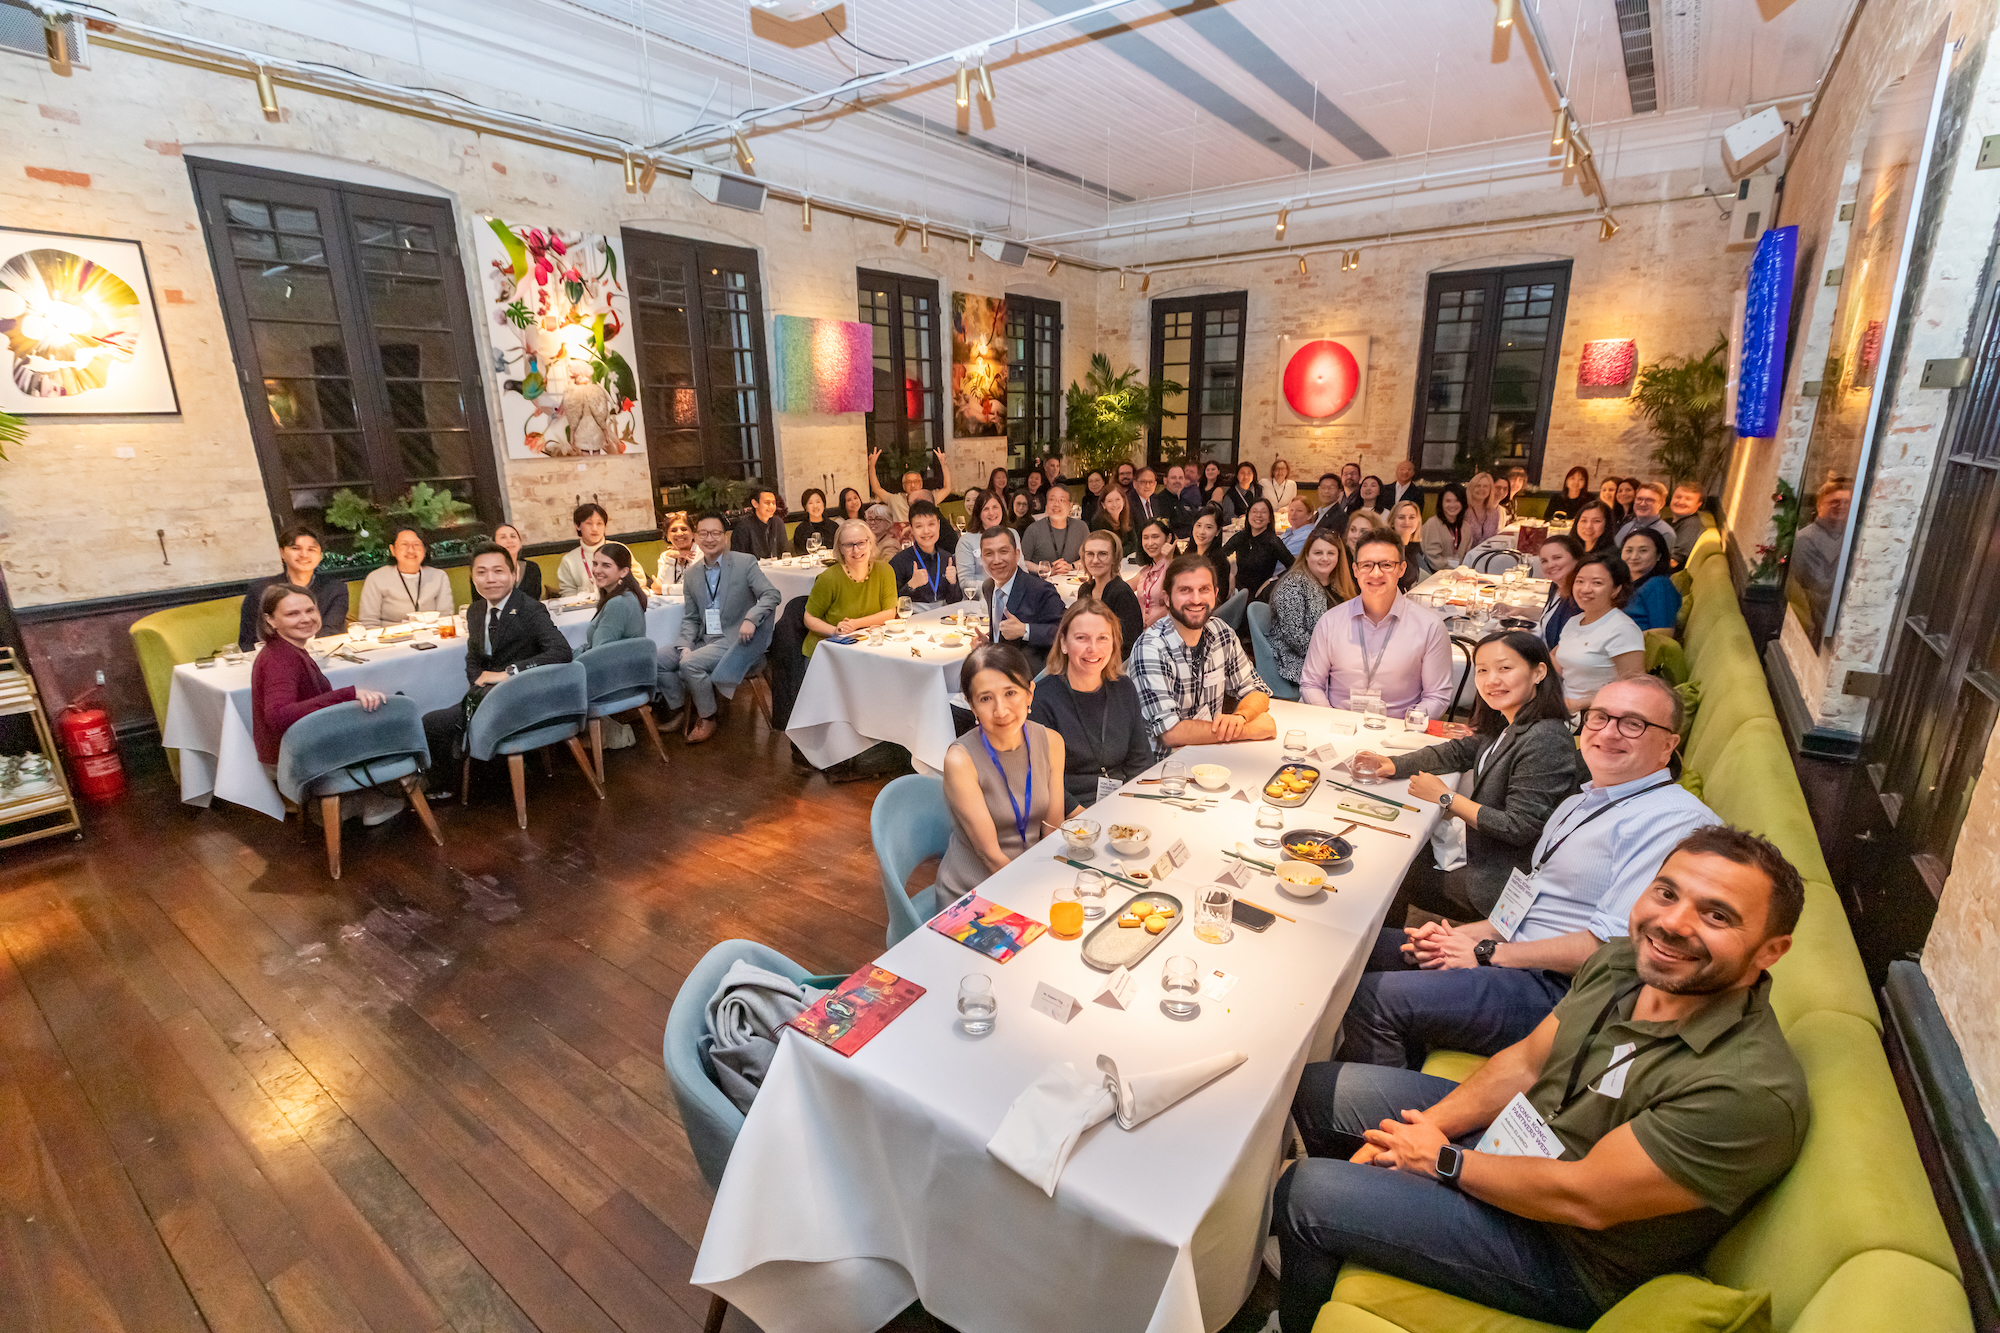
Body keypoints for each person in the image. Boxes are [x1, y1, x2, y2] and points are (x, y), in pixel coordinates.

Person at [1274, 823, 1805, 1333]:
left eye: (1717, 915)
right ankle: (1347, 1235)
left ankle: (1304, 1292)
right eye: (1667, 893)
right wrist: (1417, 1134)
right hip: (1517, 1140)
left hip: (1562, 1252)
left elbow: (1585, 1198)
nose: (1674, 923)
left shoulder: (1745, 1091)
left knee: (1306, 1191)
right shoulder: (1624, 962)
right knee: (1319, 1089)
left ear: (1770, 950)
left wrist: (1440, 1159)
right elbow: (1526, 1063)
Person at [1335, 674, 1717, 1068]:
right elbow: (1533, 893)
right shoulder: (1584, 801)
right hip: (1516, 953)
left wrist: (1487, 953)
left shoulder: (1671, 822)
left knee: (1370, 998)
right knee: (1352, 948)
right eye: (1599, 717)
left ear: (1668, 745)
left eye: (1633, 723)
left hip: (1562, 992)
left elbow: (1614, 950)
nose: (1608, 732)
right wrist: (1462, 936)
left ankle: (1378, 1110)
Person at [1350, 631, 1583, 919]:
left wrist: (1446, 797)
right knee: (1394, 849)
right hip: (1481, 854)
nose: (1491, 680)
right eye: (1482, 670)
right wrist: (1394, 764)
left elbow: (1516, 827)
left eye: (1505, 668)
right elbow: (1459, 751)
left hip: (1502, 882)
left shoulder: (1545, 738)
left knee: (1386, 873)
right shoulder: (1510, 719)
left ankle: (1388, 953)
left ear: (1538, 672)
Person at [421, 545, 574, 793]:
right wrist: (478, 682)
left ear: (513, 575)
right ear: (472, 577)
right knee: (436, 720)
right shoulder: (475, 611)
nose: (490, 579)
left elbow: (561, 651)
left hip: (523, 694)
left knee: (434, 722)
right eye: (481, 572)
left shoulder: (529, 608)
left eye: (498, 571)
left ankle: (448, 786)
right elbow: (473, 658)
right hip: (488, 695)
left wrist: (509, 672)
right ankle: (455, 782)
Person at [250, 585, 400, 824]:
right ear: (270, 620)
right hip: (294, 756)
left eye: (310, 610)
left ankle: (357, 801)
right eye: (292, 614)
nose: (306, 619)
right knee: (393, 723)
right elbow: (278, 715)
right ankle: (369, 800)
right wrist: (346, 695)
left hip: (299, 748)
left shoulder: (287, 649)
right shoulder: (281, 659)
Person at [936, 643, 1066, 896]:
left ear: (1029, 693)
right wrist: (1035, 895)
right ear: (971, 705)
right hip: (975, 891)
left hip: (1032, 877)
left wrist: (1052, 884)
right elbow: (990, 856)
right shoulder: (961, 760)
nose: (1001, 710)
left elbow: (1052, 831)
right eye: (985, 698)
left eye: (1010, 693)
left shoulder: (1051, 742)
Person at [1129, 554, 1276, 755]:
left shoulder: (1221, 633)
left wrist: (1240, 717)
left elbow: (1256, 689)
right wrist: (1248, 730)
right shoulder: (1151, 648)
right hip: (1163, 770)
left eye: (1204, 590)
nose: (1196, 599)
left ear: (1215, 593)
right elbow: (1170, 733)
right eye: (1185, 590)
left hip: (1210, 756)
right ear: (1167, 598)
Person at [1300, 531, 1453, 718]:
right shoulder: (1330, 621)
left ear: (1402, 569)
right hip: (1338, 729)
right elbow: (1311, 684)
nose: (1376, 573)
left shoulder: (1430, 627)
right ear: (1355, 570)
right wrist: (1331, 719)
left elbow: (1437, 696)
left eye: (1386, 565)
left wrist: (1406, 729)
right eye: (1366, 565)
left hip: (1399, 734)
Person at [662, 512, 782, 742]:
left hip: (734, 638)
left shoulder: (744, 562)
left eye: (715, 533)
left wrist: (751, 617)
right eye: (704, 533)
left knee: (690, 664)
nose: (710, 539)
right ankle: (679, 710)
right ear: (696, 537)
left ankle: (708, 717)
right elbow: (690, 618)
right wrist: (685, 644)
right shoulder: (693, 574)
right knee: (659, 660)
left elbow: (771, 594)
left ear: (725, 537)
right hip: (704, 638)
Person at [1030, 600, 1154, 810]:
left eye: (1103, 638)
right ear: (1063, 643)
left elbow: (1140, 761)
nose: (1093, 648)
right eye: (1081, 638)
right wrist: (1086, 818)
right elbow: (1042, 777)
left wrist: (1138, 808)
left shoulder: (1123, 688)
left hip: (1123, 802)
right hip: (1071, 812)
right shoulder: (1042, 698)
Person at [1555, 552, 1646, 711]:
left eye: (1597, 583)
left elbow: (1633, 688)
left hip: (1593, 712)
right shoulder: (1575, 621)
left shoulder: (1622, 629)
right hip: (1562, 705)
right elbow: (1554, 662)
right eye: (1580, 581)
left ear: (1616, 589)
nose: (1585, 589)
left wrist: (1577, 704)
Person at [238, 525, 349, 650]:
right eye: (296, 548)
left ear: (320, 555)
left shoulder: (335, 588)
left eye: (311, 549)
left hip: (322, 654)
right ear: (282, 553)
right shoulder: (261, 589)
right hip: (274, 657)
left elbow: (331, 631)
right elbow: (249, 638)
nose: (304, 554)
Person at [802, 520, 899, 658]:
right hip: (829, 650)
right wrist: (835, 630)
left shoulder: (885, 571)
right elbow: (809, 618)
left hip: (870, 646)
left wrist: (855, 624)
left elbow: (889, 613)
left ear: (870, 543)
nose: (856, 550)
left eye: (861, 543)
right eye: (848, 545)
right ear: (840, 549)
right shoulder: (828, 578)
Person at [1268, 529, 1352, 687]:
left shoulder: (1338, 584)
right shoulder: (1292, 585)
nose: (1325, 558)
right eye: (1318, 553)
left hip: (1334, 658)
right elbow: (1295, 637)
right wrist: (1335, 658)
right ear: (1307, 555)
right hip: (1296, 660)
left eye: (1331, 553)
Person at [973, 526, 1065, 651]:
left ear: (1017, 555)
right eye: (989, 554)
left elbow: (1065, 632)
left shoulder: (1040, 589)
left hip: (1029, 668)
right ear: (982, 559)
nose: (997, 560)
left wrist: (1025, 630)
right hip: (999, 663)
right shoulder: (988, 587)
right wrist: (989, 642)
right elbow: (1003, 630)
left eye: (1003, 551)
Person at [1788, 476, 1853, 636]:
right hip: (1814, 621)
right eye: (1835, 502)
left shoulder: (1850, 537)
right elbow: (1820, 589)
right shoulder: (1806, 539)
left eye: (1846, 503)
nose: (1841, 507)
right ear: (1819, 505)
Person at [357, 528, 454, 626]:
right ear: (392, 550)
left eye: (416, 544)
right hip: (390, 638)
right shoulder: (376, 578)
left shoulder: (439, 576)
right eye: (404, 544)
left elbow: (445, 616)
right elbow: (369, 622)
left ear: (424, 550)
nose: (411, 550)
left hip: (432, 636)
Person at [1075, 529, 1143, 651]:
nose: (1095, 560)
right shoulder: (1085, 590)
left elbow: (1128, 644)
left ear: (1114, 558)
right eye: (1090, 554)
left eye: (1102, 554)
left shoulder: (1122, 594)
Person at [889, 500, 964, 607]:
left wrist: (953, 584)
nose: (926, 531)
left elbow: (956, 603)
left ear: (938, 525)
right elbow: (890, 604)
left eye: (931, 524)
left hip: (945, 618)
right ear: (912, 529)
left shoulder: (947, 558)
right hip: (914, 619)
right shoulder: (899, 561)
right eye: (919, 526)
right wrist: (911, 585)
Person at [583, 542, 649, 649]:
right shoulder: (627, 595)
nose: (597, 570)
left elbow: (600, 651)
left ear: (623, 572)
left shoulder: (618, 603)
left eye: (606, 565)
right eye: (595, 564)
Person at [1223, 497, 1293, 598]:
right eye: (1254, 511)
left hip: (1260, 594)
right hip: (1238, 591)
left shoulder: (1273, 542)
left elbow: (1294, 567)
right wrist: (1229, 573)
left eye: (1263, 512)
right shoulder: (1241, 537)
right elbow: (1220, 555)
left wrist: (1272, 581)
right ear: (1248, 516)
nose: (1258, 515)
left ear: (1269, 518)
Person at [1620, 529, 1682, 633]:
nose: (1634, 557)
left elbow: (1664, 633)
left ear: (1658, 555)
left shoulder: (1659, 585)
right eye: (1629, 550)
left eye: (1643, 550)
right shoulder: (1622, 585)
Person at [867, 446, 951, 522]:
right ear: (904, 486)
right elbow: (876, 488)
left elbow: (947, 488)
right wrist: (871, 465)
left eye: (916, 482)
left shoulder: (929, 498)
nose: (913, 485)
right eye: (909, 482)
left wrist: (943, 464)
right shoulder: (895, 500)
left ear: (921, 484)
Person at [1537, 533, 1585, 647]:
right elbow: (1549, 614)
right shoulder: (1556, 586)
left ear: (1577, 558)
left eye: (1557, 558)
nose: (1550, 565)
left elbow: (1568, 646)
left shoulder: (1579, 597)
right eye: (1544, 561)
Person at [557, 502, 612, 596]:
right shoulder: (569, 560)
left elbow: (637, 582)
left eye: (599, 523)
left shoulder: (620, 550)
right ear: (577, 526)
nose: (595, 529)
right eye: (589, 523)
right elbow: (567, 592)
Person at [955, 490, 1009, 585]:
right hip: (982, 597)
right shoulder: (966, 541)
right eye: (986, 509)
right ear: (978, 513)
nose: (991, 513)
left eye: (995, 507)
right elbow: (965, 582)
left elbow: (1022, 569)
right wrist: (997, 588)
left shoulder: (1012, 534)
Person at [1133, 518, 1177, 631]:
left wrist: (1168, 560)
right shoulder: (1146, 571)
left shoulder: (1175, 567)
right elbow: (1122, 588)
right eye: (1145, 538)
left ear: (1168, 538)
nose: (1150, 543)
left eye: (1155, 537)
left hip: (1166, 632)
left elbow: (1168, 597)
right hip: (1143, 633)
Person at [1186, 504, 1233, 602]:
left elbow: (1217, 599)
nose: (1201, 532)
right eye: (1198, 525)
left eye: (1209, 527)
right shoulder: (1189, 553)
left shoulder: (1218, 562)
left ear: (1217, 531)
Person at [1422, 483, 1472, 569]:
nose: (1452, 505)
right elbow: (1433, 557)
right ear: (1441, 503)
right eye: (1448, 501)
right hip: (1435, 575)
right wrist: (1453, 571)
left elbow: (1467, 555)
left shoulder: (1466, 527)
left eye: (1457, 500)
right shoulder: (1432, 524)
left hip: (1459, 575)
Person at [1614, 482, 1676, 551]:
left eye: (1649, 500)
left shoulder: (1664, 533)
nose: (1642, 504)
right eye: (1639, 499)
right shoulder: (1627, 527)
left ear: (1661, 504)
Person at [493, 522, 545, 600]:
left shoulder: (532, 568)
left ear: (520, 543)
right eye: (503, 537)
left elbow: (535, 601)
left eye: (513, 536)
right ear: (494, 545)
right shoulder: (485, 572)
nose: (509, 540)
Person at [732, 487, 787, 559]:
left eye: (773, 503)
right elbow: (739, 560)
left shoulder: (778, 523)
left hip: (777, 568)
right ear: (755, 504)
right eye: (767, 503)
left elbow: (785, 552)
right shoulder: (743, 527)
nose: (771, 506)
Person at [1388, 500, 1431, 591]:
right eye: (1401, 517)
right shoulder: (1388, 547)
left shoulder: (1414, 546)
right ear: (1392, 521)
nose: (1406, 522)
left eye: (1412, 517)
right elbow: (1403, 579)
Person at [1665, 482, 1708, 567]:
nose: (1681, 501)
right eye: (1678, 497)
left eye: (1688, 499)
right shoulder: (1668, 522)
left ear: (1699, 504)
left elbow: (1673, 562)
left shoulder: (1691, 525)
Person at [652, 512, 698, 592]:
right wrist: (671, 557)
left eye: (684, 529)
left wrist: (663, 590)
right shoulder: (665, 556)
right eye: (673, 530)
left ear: (693, 534)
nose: (679, 533)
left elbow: (697, 588)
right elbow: (662, 584)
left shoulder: (702, 553)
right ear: (667, 537)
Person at [1092, 483, 1137, 558]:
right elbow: (1111, 552)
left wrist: (1125, 548)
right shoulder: (1098, 522)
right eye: (1109, 501)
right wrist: (1128, 547)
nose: (1115, 504)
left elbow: (1135, 544)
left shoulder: (1127, 516)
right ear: (1103, 505)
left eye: (1118, 500)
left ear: (1124, 501)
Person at [791, 488, 840, 556]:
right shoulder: (800, 530)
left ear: (824, 504)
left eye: (818, 502)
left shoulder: (834, 527)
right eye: (810, 503)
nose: (815, 506)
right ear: (805, 507)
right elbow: (800, 554)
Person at [1129, 466, 1179, 533]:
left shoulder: (1157, 500)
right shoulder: (1128, 503)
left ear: (1155, 484)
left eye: (1151, 482)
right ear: (1135, 484)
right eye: (1143, 482)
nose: (1147, 486)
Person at [1463, 471, 1503, 548]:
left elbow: (1494, 539)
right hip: (1466, 556)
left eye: (1485, 486)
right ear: (1471, 488)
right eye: (1478, 486)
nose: (1481, 489)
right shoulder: (1464, 510)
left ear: (1490, 490)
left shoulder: (1495, 511)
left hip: (1487, 556)